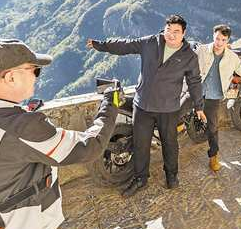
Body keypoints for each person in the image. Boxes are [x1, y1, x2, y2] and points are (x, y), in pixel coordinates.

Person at [0, 39, 120, 229]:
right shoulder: (21, 126)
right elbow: (90, 146)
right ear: (11, 77)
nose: (36, 78)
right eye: (34, 71)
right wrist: (110, 103)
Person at [87, 14, 203, 196]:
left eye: (176, 32)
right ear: (164, 29)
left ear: (183, 33)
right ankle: (140, 179)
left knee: (170, 144)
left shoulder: (189, 56)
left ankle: (172, 176)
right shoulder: (150, 42)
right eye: (168, 30)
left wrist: (199, 106)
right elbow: (126, 45)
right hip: (143, 106)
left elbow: (195, 81)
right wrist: (101, 45)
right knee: (141, 145)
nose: (171, 35)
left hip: (168, 109)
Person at [194, 25, 241, 169]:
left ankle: (213, 157)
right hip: (195, 91)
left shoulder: (232, 58)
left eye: (223, 40)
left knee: (212, 127)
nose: (219, 42)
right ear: (213, 36)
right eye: (217, 38)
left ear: (227, 40)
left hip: (213, 95)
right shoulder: (202, 50)